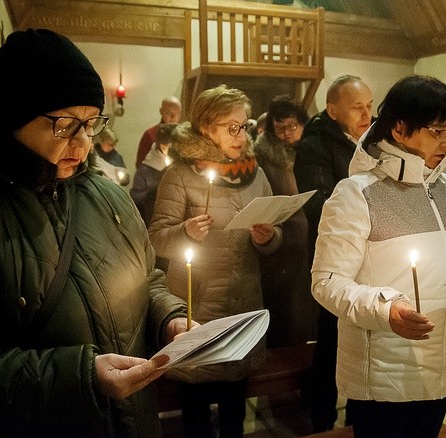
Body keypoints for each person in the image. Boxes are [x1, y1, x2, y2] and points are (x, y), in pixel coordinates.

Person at [0, 28, 194, 437]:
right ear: (13, 121)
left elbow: (147, 279)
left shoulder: (109, 197)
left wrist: (169, 319)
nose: (83, 143)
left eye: (92, 123)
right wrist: (79, 378)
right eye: (64, 125)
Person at [311, 74, 446, 438]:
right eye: (437, 131)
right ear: (400, 128)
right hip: (386, 372)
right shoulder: (357, 194)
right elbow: (326, 282)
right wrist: (386, 308)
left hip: (442, 362)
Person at [148, 84, 282, 438]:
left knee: (234, 406)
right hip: (199, 302)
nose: (242, 135)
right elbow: (157, 237)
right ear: (206, 127)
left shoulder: (254, 172)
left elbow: (274, 227)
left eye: (245, 125)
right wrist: (186, 232)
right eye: (231, 127)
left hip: (243, 299)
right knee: (196, 407)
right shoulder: (180, 174)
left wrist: (269, 237)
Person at [293, 74, 373, 432]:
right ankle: (323, 419)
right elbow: (319, 204)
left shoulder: (372, 142)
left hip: (370, 256)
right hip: (335, 259)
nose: (366, 113)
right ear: (333, 110)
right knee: (331, 340)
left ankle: (360, 418)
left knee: (366, 341)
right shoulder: (314, 147)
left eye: (369, 105)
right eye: (357, 106)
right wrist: (368, 213)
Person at [254, 95, 315, 347]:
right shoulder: (267, 157)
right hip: (283, 244)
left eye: (292, 126)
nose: (288, 134)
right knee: (286, 311)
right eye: (281, 129)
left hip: (311, 238)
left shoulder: (311, 150)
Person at [130, 123, 176, 227]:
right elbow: (135, 198)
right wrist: (154, 191)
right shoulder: (146, 169)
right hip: (149, 220)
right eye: (167, 146)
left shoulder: (178, 166)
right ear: (161, 145)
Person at [136, 96, 182, 166]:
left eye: (177, 113)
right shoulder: (150, 134)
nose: (173, 117)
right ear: (161, 111)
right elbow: (140, 163)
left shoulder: (183, 136)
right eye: (168, 113)